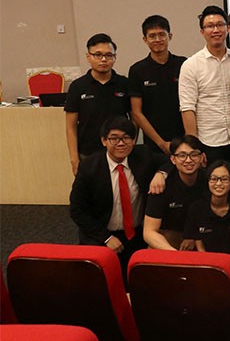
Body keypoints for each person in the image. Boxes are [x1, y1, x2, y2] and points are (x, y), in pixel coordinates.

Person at [69, 116, 158, 278]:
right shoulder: (89, 167)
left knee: (139, 279)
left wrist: (161, 173)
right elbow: (77, 210)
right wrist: (106, 237)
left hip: (135, 234)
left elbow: (171, 161)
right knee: (102, 282)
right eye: (114, 138)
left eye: (126, 138)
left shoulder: (143, 156)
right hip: (100, 234)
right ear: (104, 141)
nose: (121, 143)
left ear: (134, 139)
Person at [178, 5, 230, 169]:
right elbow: (187, 108)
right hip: (208, 142)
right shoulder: (191, 65)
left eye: (220, 25)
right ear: (202, 32)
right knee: (213, 191)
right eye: (209, 26)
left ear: (228, 28)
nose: (215, 30)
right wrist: (194, 150)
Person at [65, 33, 130, 175]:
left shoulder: (125, 84)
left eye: (109, 55)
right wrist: (74, 159)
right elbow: (70, 126)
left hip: (119, 154)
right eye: (98, 55)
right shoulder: (77, 86)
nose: (104, 59)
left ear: (115, 57)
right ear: (88, 57)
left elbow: (134, 119)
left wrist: (128, 144)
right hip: (88, 154)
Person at [129, 15, 187, 156]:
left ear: (170, 36)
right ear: (145, 39)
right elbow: (136, 113)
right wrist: (161, 143)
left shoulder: (184, 64)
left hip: (184, 142)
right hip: (153, 145)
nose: (157, 40)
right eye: (152, 36)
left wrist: (189, 138)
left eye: (162, 35)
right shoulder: (137, 70)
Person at [143, 135, 207, 251]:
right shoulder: (160, 185)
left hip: (200, 236)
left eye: (194, 155)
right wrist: (174, 253)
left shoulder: (210, 181)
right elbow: (149, 232)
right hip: (169, 239)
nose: (188, 160)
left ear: (202, 157)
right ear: (173, 159)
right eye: (182, 155)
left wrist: (194, 237)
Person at [187, 160, 230, 258]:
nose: (218, 183)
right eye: (213, 179)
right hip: (205, 262)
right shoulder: (196, 208)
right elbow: (198, 243)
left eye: (224, 179)